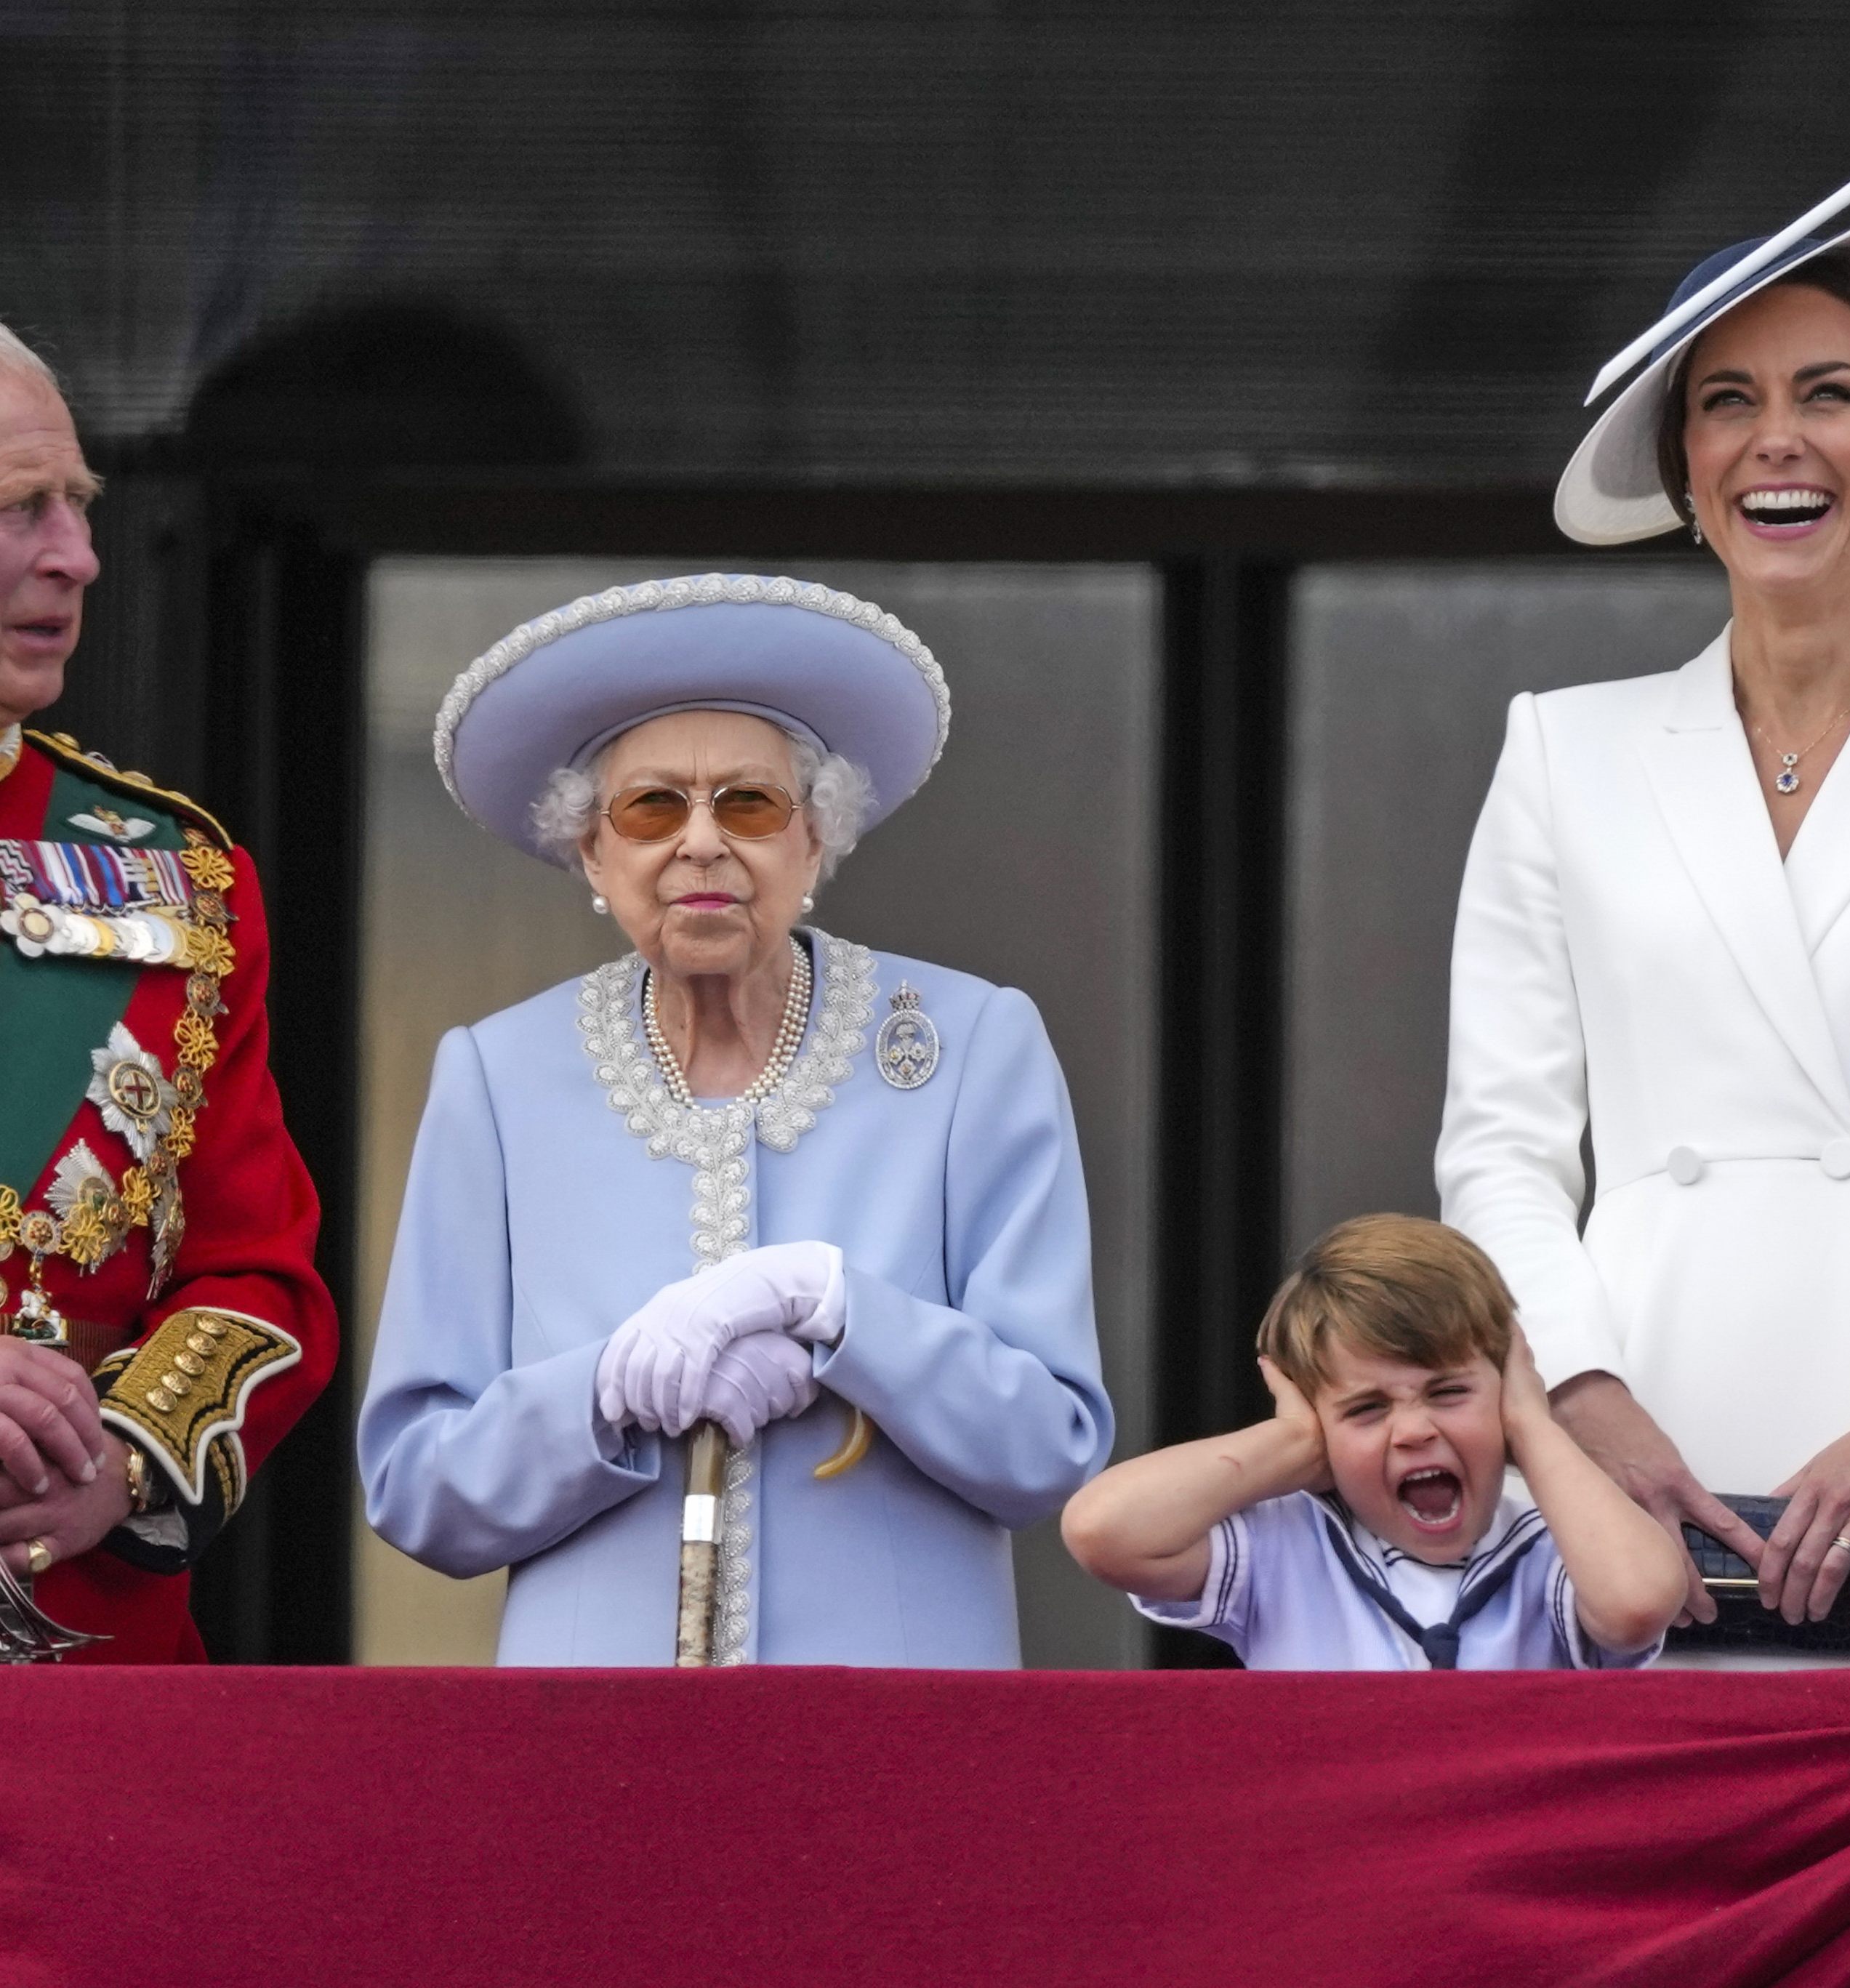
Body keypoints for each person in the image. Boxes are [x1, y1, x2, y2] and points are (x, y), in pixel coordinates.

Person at [1436, 142, 1850, 1663]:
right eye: (1723, 402)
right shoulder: (1562, 744)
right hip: (1628, 1405)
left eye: (1822, 392)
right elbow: (1496, 1143)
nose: (1772, 441)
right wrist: (1574, 1395)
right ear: (1683, 467)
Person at [358, 573, 1112, 1666]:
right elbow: (418, 1488)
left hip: (894, 1727)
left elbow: (1049, 1446)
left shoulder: (969, 1045)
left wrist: (843, 1309)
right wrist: (605, 1387)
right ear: (592, 854)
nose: (700, 843)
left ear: (815, 841)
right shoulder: (498, 1075)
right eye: (651, 807)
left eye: (749, 805)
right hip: (592, 1729)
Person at [0, 322, 336, 1660]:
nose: (76, 555)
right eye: (18, 509)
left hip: (86, 1653)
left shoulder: (175, 876)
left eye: (77, 506)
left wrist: (124, 1462)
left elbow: (255, 1272)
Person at [1062, 1215, 1682, 1669]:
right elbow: (1103, 1529)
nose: (1414, 1431)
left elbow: (1636, 1604)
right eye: (1366, 1408)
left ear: (1505, 1390)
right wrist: (1292, 1444)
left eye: (1447, 1393)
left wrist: (1533, 1426)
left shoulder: (1557, 1548)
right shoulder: (1286, 1547)